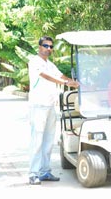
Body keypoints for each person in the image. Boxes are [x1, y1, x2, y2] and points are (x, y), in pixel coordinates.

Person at [28, 36, 79, 185]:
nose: (48, 49)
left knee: (49, 140)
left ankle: (45, 172)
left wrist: (73, 81)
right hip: (38, 106)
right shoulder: (34, 62)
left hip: (51, 106)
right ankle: (33, 174)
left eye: (51, 47)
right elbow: (46, 76)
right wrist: (65, 82)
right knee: (37, 140)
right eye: (46, 46)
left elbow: (60, 75)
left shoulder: (50, 64)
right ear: (39, 47)